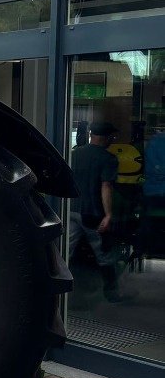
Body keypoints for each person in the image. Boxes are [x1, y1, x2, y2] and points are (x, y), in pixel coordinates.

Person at [69, 121, 121, 302]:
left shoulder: (74, 154)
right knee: (104, 255)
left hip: (72, 210)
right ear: (106, 138)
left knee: (64, 252)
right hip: (92, 214)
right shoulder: (108, 159)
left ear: (91, 135)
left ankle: (56, 293)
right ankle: (112, 295)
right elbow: (106, 186)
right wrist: (108, 215)